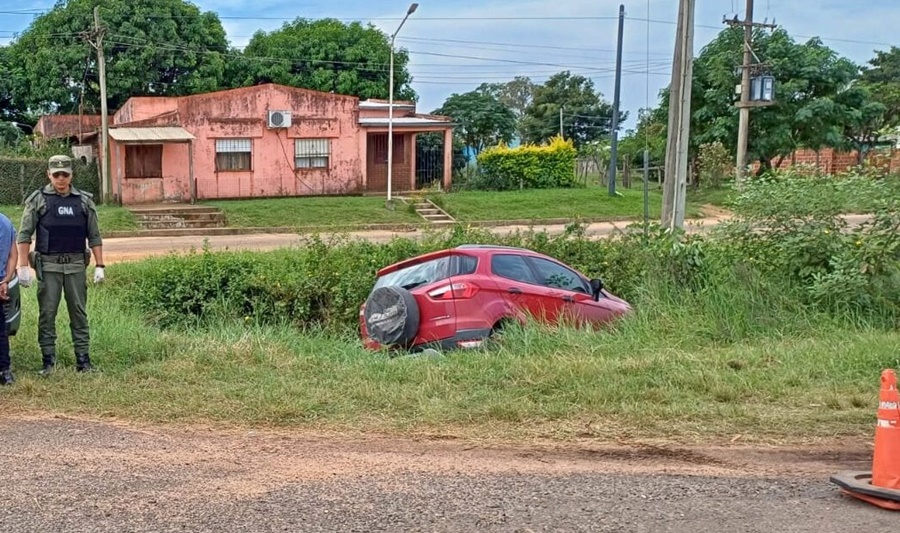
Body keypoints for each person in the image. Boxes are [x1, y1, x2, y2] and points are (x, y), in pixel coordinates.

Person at [16, 155, 105, 375]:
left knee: (79, 313)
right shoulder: (37, 200)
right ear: (49, 174)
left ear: (71, 175)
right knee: (47, 314)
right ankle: (48, 361)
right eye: (57, 175)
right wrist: (22, 266)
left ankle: (83, 361)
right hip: (48, 267)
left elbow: (94, 236)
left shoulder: (84, 201)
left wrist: (100, 265)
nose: (61, 178)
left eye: (65, 174)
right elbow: (24, 235)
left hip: (76, 266)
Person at [0, 213, 18, 385]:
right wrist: (5, 279)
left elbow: (12, 254)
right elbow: (13, 255)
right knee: (1, 331)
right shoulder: (5, 222)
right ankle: (5, 372)